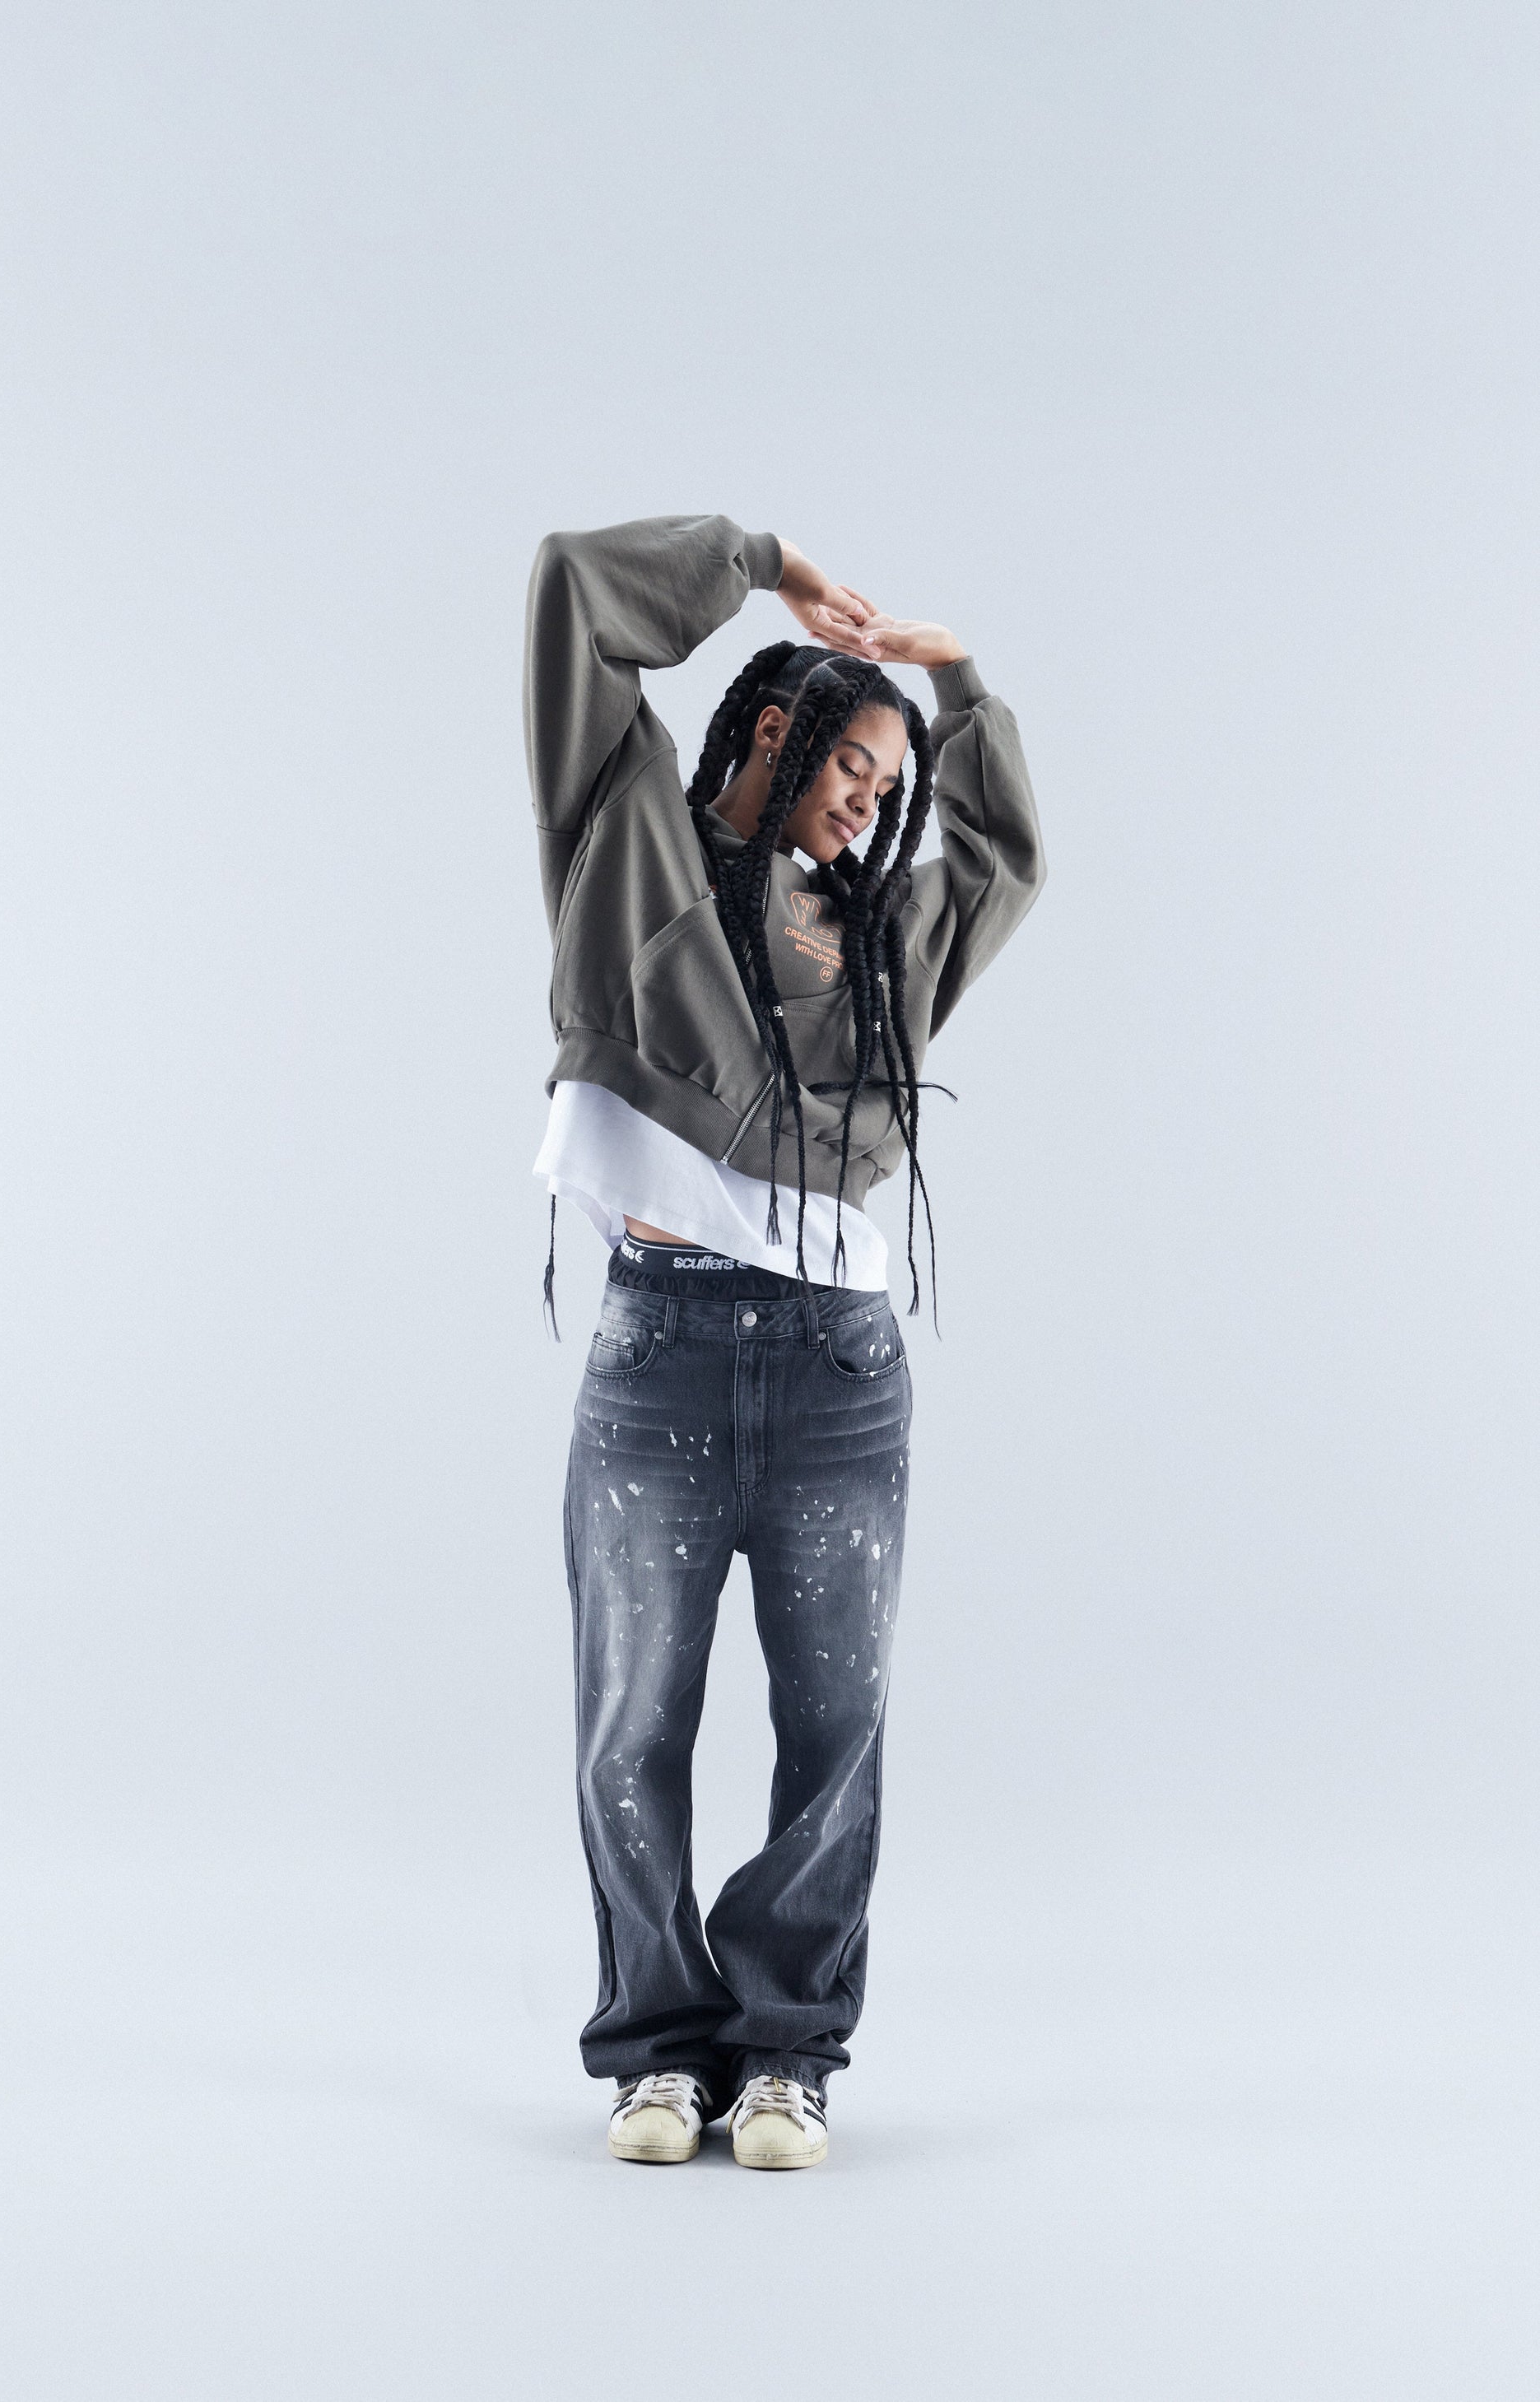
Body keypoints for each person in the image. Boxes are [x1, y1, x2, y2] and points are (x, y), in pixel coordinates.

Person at [523, 514, 1045, 2167]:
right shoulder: (626, 840)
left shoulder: (873, 939)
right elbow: (573, 591)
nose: (871, 805)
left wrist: (954, 685)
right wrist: (758, 563)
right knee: (630, 1725)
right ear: (772, 727)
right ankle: (655, 2052)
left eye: (891, 787)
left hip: (835, 1372)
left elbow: (1003, 862)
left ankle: (785, 2052)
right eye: (853, 769)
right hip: (657, 1355)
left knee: (832, 1730)